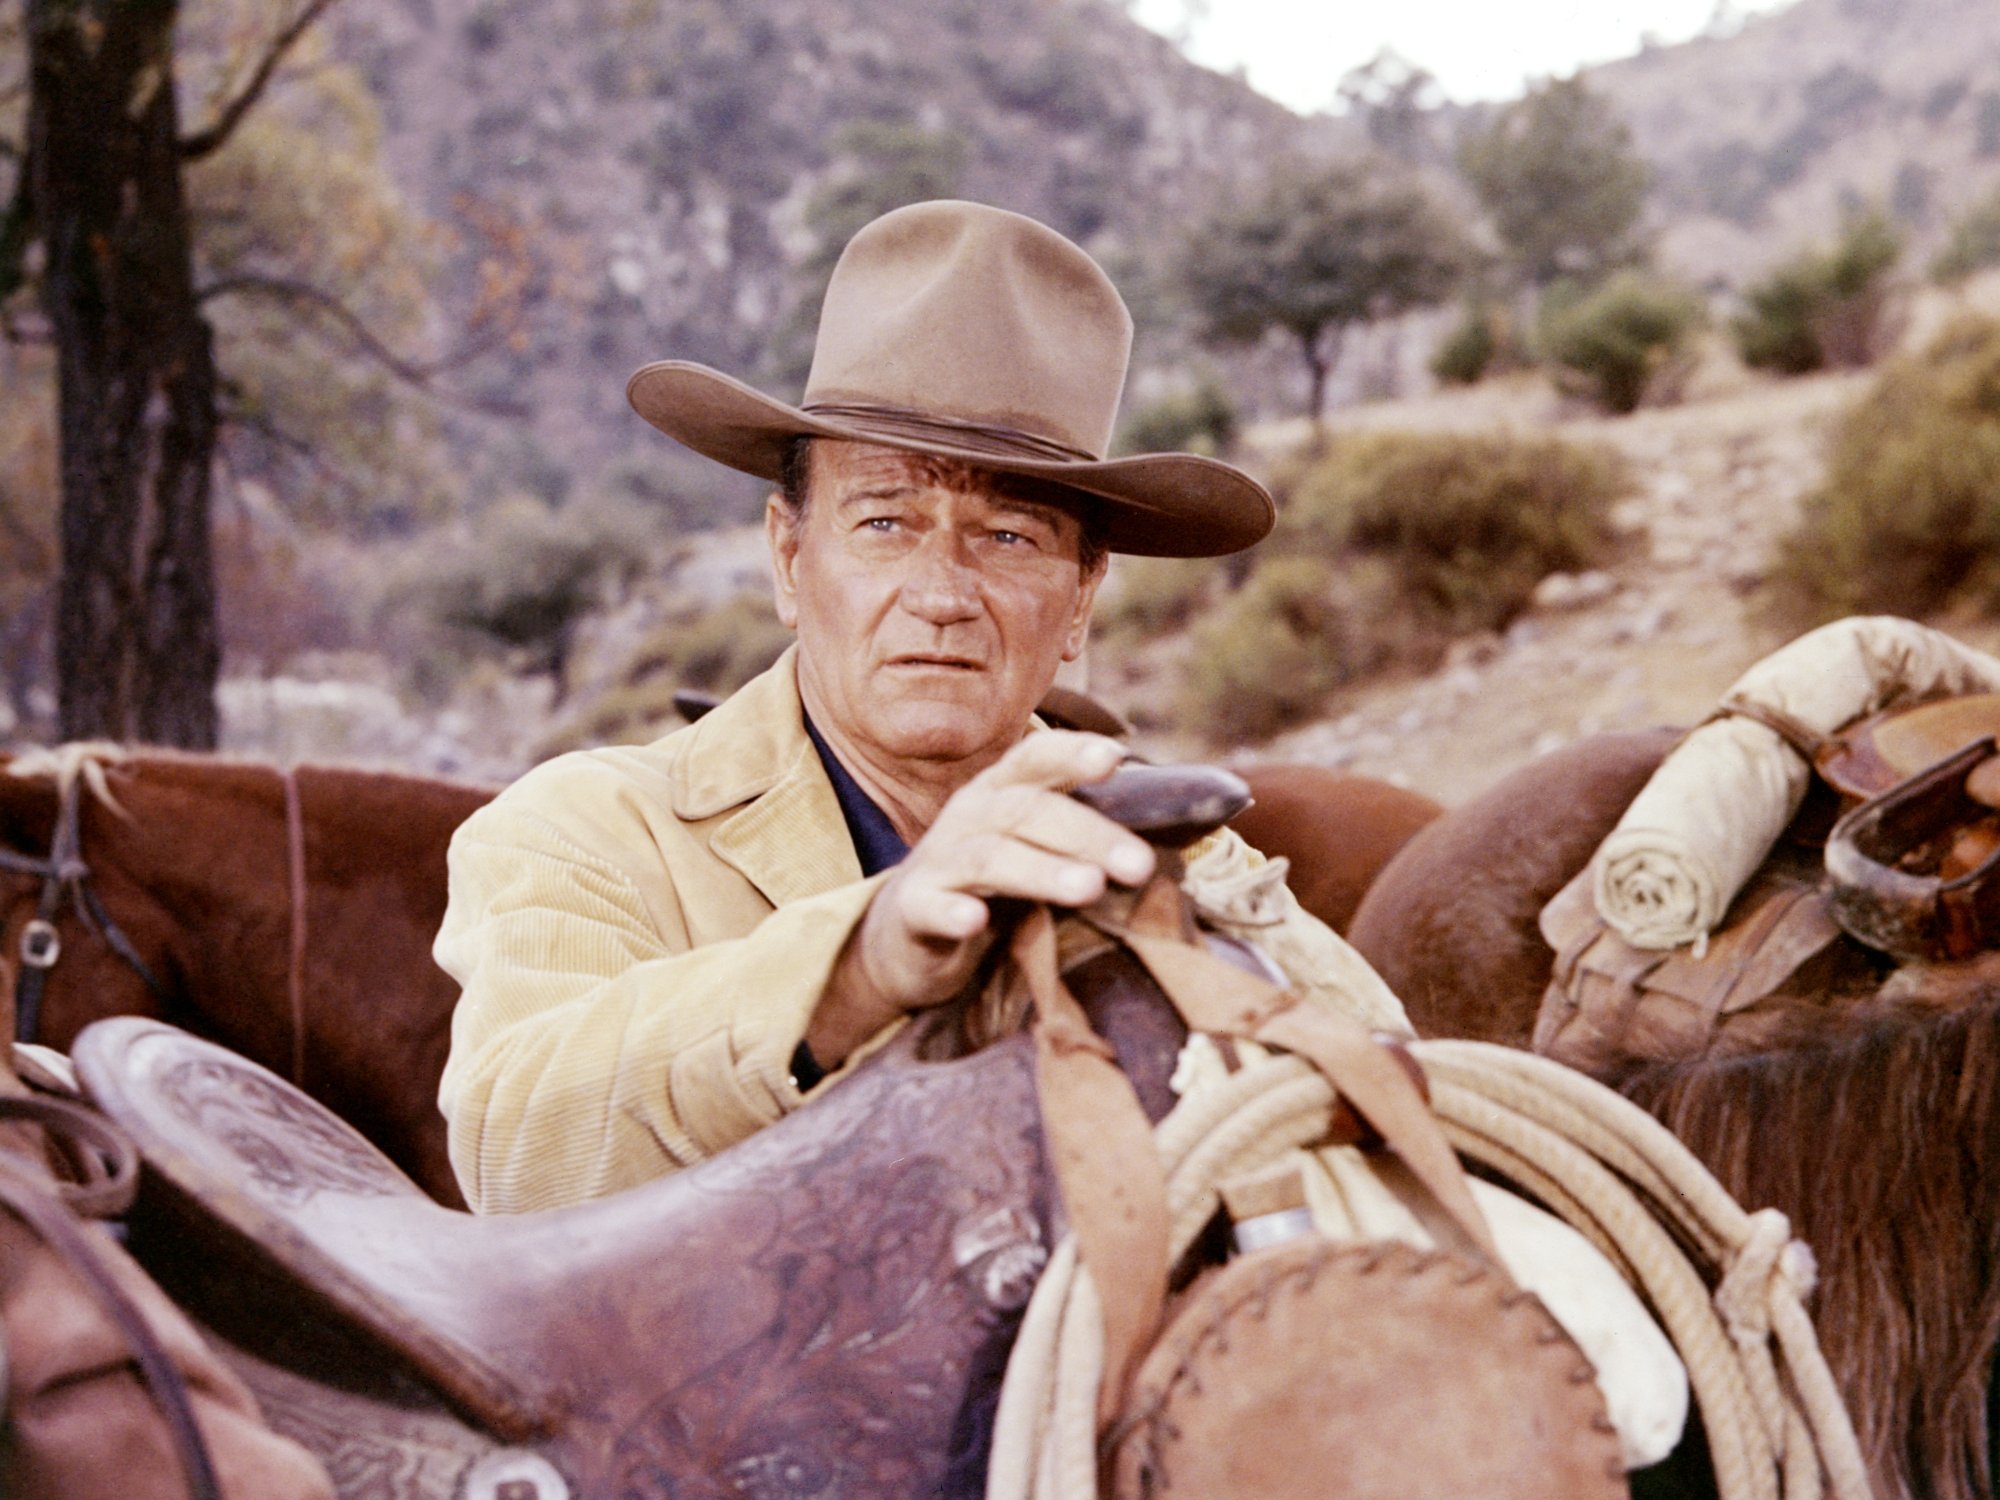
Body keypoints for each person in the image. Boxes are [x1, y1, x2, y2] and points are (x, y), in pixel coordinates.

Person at [434, 200, 1408, 1213]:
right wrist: (854, 966)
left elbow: (1390, 1090)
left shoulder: (1164, 845)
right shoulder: (588, 830)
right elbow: (515, 1146)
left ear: (1079, 600)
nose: (941, 594)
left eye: (1008, 539)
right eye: (885, 521)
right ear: (787, 555)